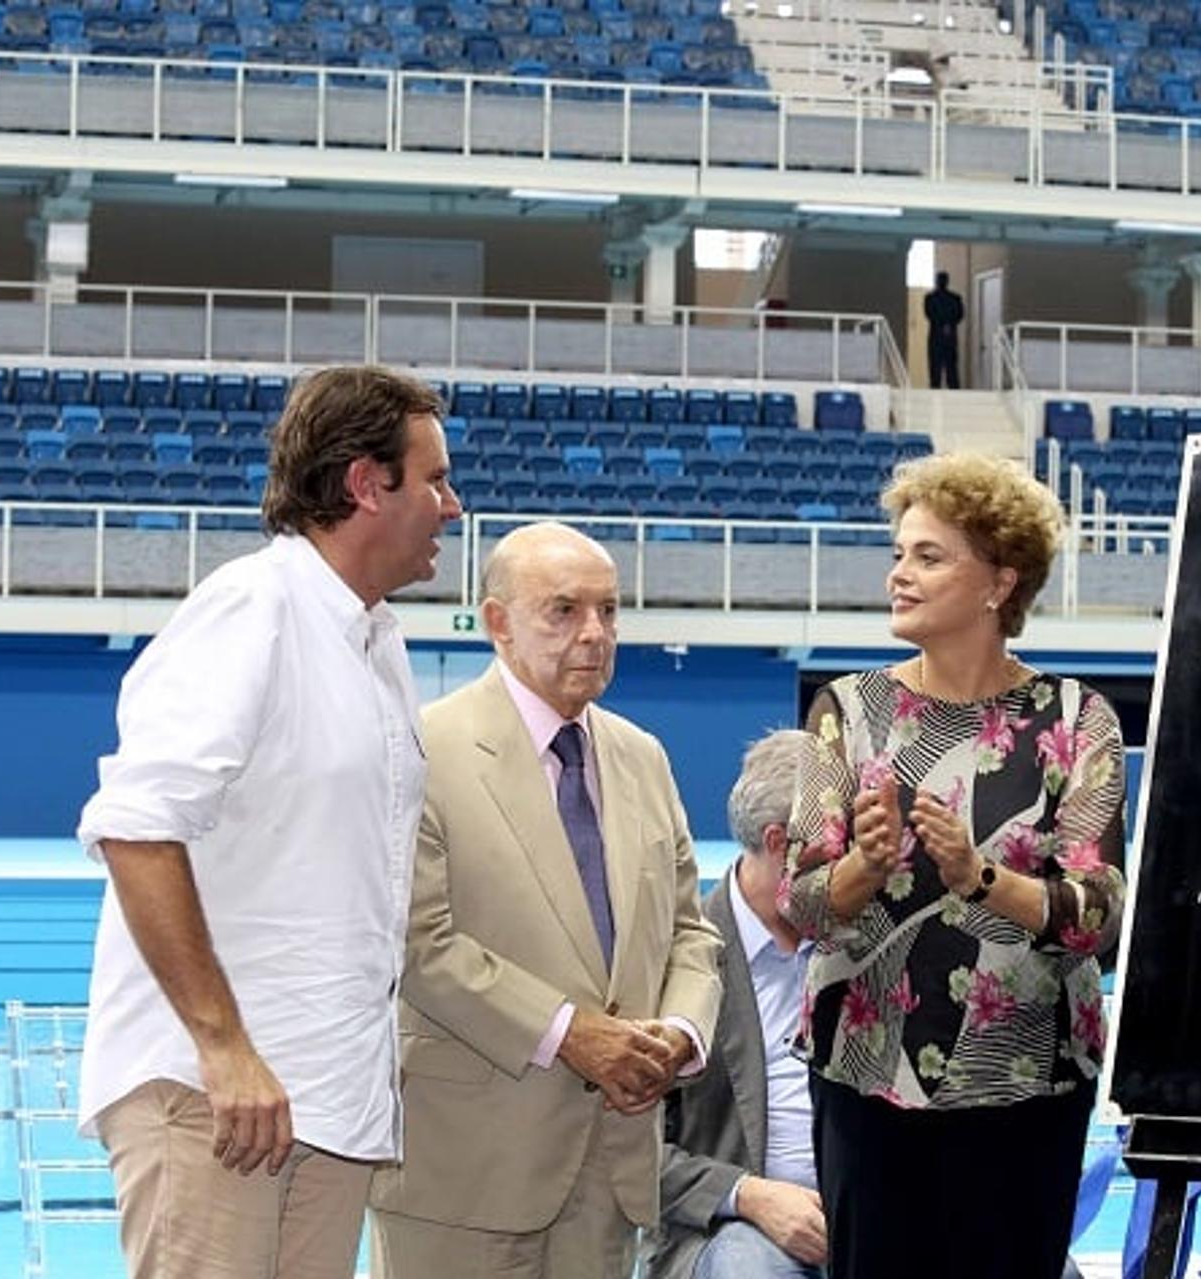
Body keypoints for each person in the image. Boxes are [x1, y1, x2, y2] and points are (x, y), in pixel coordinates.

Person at [75, 365, 461, 1279]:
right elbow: (135, 827)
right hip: (217, 1096)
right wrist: (223, 1045)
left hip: (328, 1099)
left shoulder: (377, 645)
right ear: (368, 485)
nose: (451, 505)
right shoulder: (252, 609)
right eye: (436, 478)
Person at [780, 453, 1126, 1279]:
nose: (900, 573)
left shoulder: (1078, 718)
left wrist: (978, 877)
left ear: (1000, 582)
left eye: (929, 556)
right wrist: (867, 862)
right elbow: (804, 903)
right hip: (865, 1080)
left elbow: (1098, 916)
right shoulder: (847, 708)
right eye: (899, 553)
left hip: (1028, 1084)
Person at [369, 520, 722, 1279]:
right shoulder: (421, 748)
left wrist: (680, 1032)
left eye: (609, 610)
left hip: (609, 1173)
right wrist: (569, 1032)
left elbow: (691, 932)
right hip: (463, 1171)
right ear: (498, 623)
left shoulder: (643, 756)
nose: (594, 633)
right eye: (563, 610)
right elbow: (416, 942)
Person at [648, 729, 826, 1279]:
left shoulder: (871, 942)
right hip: (730, 1229)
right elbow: (626, 1151)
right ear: (779, 843)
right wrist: (746, 1195)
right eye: (837, 841)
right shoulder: (671, 959)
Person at [923, 271, 964, 390]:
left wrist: (942, 324)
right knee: (949, 365)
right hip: (949, 334)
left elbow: (929, 314)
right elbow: (959, 315)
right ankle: (952, 388)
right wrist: (948, 324)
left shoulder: (930, 298)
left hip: (936, 335)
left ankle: (938, 387)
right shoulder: (955, 298)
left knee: (938, 365)